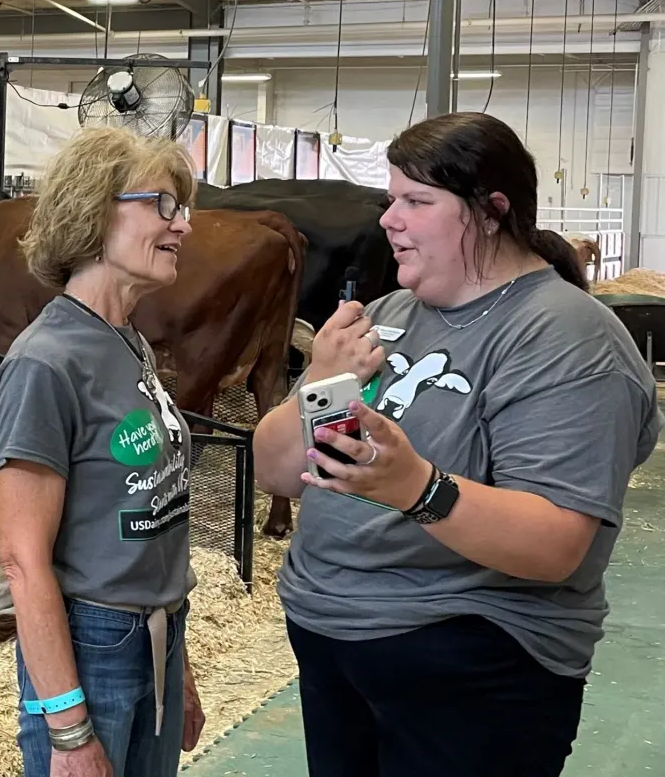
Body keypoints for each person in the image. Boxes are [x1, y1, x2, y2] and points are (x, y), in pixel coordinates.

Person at [253, 111, 663, 777]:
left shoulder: (565, 337)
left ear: (490, 211)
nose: (389, 220)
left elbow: (554, 544)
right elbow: (277, 470)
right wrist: (317, 385)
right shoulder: (385, 318)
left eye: (416, 201)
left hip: (472, 663)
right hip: (334, 644)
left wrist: (418, 487)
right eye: (392, 200)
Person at [0, 126, 205, 777]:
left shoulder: (126, 341)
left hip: (157, 634)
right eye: (164, 205)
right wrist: (68, 728)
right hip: (94, 645)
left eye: (183, 208)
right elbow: (23, 560)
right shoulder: (45, 363)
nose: (184, 226)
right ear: (94, 209)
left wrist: (179, 665)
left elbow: (155, 520)